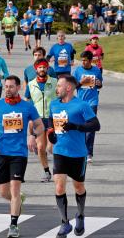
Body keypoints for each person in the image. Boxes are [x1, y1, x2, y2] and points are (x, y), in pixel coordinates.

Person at [0, 75, 44, 238]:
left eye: (11, 86)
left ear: (18, 88)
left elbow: (40, 124)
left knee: (15, 189)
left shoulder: (27, 107)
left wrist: (32, 135)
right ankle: (17, 202)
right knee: (3, 192)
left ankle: (13, 225)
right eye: (6, 87)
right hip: (2, 153)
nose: (7, 89)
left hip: (19, 153)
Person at [46, 75, 100, 237]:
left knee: (78, 186)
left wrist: (75, 126)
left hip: (78, 153)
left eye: (59, 86)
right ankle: (64, 222)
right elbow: (51, 122)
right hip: (60, 151)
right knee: (59, 186)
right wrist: (51, 135)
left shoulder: (81, 105)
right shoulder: (54, 104)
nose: (57, 89)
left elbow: (95, 125)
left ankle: (81, 215)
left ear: (68, 88)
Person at [25, 59, 57, 182]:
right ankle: (47, 172)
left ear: (47, 68)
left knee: (51, 148)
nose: (42, 69)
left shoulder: (54, 82)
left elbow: (62, 97)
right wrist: (29, 119)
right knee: (40, 148)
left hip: (51, 119)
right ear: (36, 69)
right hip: (37, 119)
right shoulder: (31, 84)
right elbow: (28, 102)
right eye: (40, 68)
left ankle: (60, 168)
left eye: (44, 67)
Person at [72, 51, 103, 163]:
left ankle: (89, 153)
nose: (83, 62)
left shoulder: (96, 70)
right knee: (81, 127)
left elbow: (100, 85)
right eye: (82, 60)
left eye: (85, 60)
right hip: (80, 102)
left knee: (91, 128)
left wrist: (98, 83)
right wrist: (81, 82)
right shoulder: (78, 71)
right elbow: (73, 86)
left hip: (92, 102)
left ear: (90, 61)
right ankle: (81, 150)